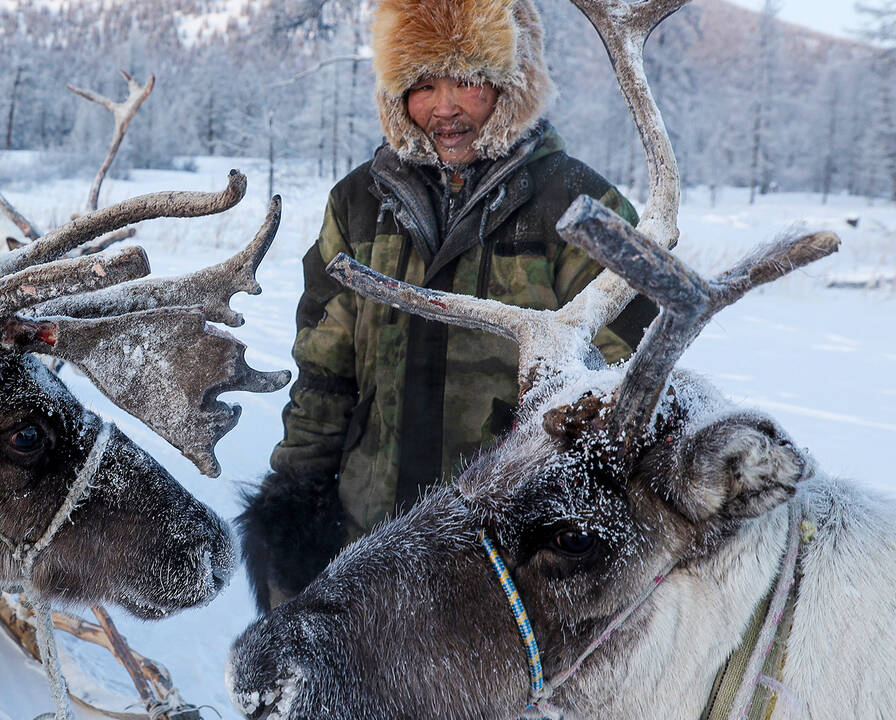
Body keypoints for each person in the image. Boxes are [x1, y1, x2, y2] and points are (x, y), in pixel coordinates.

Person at [238, 0, 657, 611]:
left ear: (512, 85)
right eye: (423, 84)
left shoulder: (579, 204)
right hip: (368, 537)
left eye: (467, 80)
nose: (445, 107)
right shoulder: (357, 203)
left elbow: (629, 379)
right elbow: (325, 372)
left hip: (507, 553)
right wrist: (295, 496)